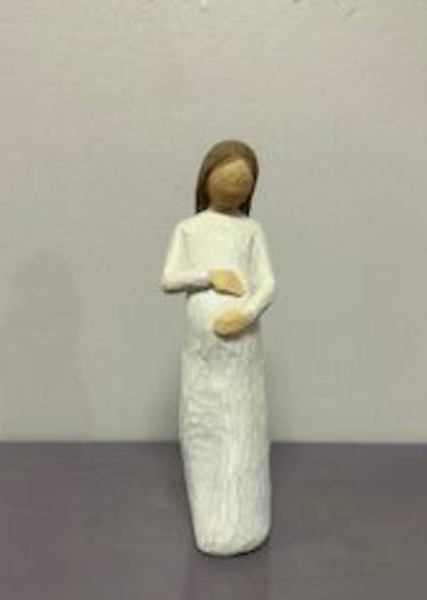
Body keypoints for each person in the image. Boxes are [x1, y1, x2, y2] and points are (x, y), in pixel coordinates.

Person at [160, 139, 276, 556]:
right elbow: (169, 279)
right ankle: (211, 520)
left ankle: (248, 517)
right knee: (204, 423)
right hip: (202, 351)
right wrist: (210, 276)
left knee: (241, 423)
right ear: (206, 179)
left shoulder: (251, 230)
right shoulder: (189, 229)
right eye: (228, 179)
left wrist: (246, 314)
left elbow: (267, 283)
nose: (235, 188)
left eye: (244, 183)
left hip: (241, 346)